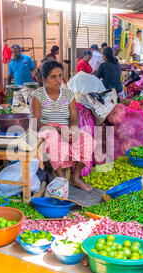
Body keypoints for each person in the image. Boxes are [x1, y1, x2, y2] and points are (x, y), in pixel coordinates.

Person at [31, 61, 95, 191]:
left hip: (64, 128)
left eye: (60, 76)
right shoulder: (37, 96)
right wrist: (59, 129)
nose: (58, 80)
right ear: (44, 79)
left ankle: (75, 177)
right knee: (53, 137)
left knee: (86, 139)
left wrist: (73, 129)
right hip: (45, 128)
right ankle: (60, 179)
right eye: (53, 77)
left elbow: (73, 118)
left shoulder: (68, 94)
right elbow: (35, 123)